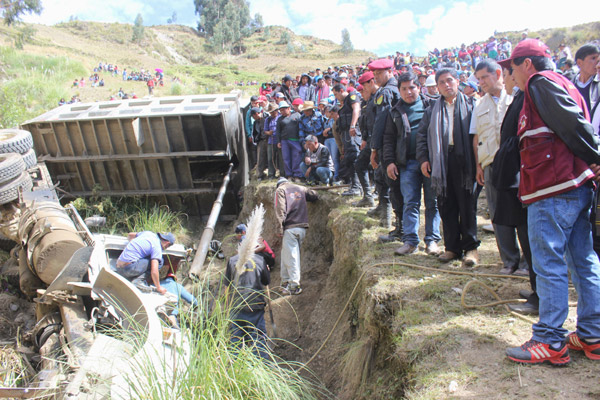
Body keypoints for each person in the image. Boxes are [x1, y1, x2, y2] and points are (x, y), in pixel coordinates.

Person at [500, 39, 600, 365]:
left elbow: (573, 126)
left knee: (549, 264)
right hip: (572, 187)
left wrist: (596, 155)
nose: (510, 73)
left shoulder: (540, 83)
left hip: (553, 190)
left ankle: (549, 340)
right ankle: (592, 334)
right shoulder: (564, 84)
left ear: (527, 64)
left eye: (512, 66)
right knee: (582, 261)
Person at [416, 68, 479, 267]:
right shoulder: (431, 110)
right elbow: (422, 137)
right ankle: (452, 248)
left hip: (465, 161)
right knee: (446, 204)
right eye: (441, 82)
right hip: (441, 163)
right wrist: (424, 159)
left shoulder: (471, 105)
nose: (446, 85)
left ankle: (470, 248)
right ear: (437, 86)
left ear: (457, 82)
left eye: (449, 80)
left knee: (467, 205)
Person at [470, 59, 526, 275]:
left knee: (521, 211)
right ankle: (509, 261)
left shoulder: (515, 96)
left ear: (498, 74)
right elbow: (476, 139)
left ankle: (526, 262)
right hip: (491, 163)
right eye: (479, 79)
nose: (482, 82)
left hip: (516, 163)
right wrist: (478, 166)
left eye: (485, 77)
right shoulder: (479, 104)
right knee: (498, 214)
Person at [383, 71, 441, 256]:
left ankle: (432, 240)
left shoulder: (431, 106)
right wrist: (390, 162)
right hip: (406, 164)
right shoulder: (394, 112)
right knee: (410, 202)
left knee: (433, 202)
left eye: (412, 87)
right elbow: (389, 139)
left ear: (419, 87)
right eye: (404, 88)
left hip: (430, 163)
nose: (409, 92)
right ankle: (410, 241)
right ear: (399, 90)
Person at [368, 58, 403, 240]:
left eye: (379, 73)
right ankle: (399, 225)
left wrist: (374, 147)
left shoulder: (387, 92)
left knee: (394, 187)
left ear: (390, 71)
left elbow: (381, 121)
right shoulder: (392, 89)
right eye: (374, 74)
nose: (376, 77)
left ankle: (400, 228)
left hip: (390, 146)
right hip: (395, 145)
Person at [274, 177, 318, 295]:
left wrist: (279, 228)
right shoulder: (299, 188)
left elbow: (280, 210)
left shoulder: (280, 190)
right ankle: (285, 283)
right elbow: (314, 195)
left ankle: (294, 285)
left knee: (292, 257)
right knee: (286, 255)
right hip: (301, 227)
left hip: (290, 227)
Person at [225, 251, 271, 360]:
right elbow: (266, 281)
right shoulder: (260, 260)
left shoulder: (232, 261)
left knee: (236, 340)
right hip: (255, 307)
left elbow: (227, 287)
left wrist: (228, 309)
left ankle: (234, 369)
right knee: (258, 340)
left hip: (237, 307)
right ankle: (262, 367)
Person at [332, 83, 363, 196]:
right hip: (346, 135)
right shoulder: (344, 103)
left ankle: (357, 187)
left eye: (336, 94)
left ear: (341, 90)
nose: (336, 97)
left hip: (352, 133)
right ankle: (354, 186)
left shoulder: (352, 96)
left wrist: (352, 126)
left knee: (354, 157)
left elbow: (357, 109)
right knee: (349, 159)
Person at [276, 101, 303, 180]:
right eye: (280, 111)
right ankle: (289, 175)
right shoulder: (280, 119)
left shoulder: (297, 115)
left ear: (289, 108)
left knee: (296, 157)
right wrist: (278, 141)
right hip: (284, 140)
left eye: (283, 110)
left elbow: (301, 126)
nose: (282, 112)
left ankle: (297, 175)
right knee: (286, 158)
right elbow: (278, 131)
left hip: (295, 139)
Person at [572, 43, 600, 113]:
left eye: (598, 60)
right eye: (593, 58)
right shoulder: (569, 85)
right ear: (579, 62)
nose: (597, 63)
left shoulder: (598, 84)